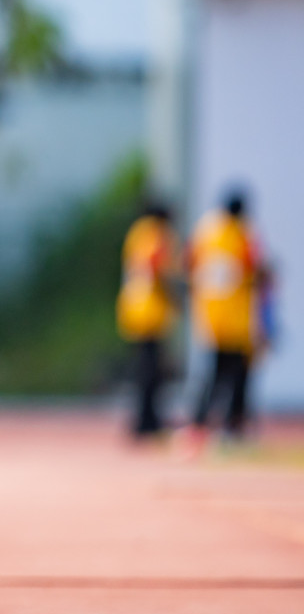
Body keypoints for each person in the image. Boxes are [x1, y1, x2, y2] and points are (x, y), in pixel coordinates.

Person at [187, 188, 270, 441]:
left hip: (211, 316)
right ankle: (233, 425)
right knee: (237, 376)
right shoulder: (243, 233)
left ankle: (199, 423)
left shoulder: (205, 230)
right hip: (236, 318)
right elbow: (254, 268)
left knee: (211, 375)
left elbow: (189, 264)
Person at [115, 200, 181, 438]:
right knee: (151, 372)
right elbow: (156, 269)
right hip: (150, 310)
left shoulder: (137, 232)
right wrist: (174, 298)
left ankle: (146, 418)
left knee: (146, 370)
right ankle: (147, 420)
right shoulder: (156, 234)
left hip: (134, 306)